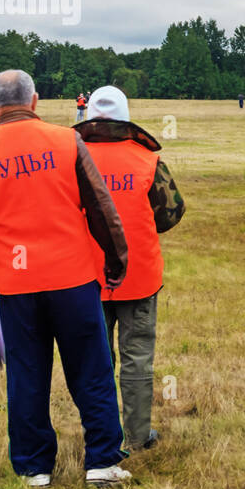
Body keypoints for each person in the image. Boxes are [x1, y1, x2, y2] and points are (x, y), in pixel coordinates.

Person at [0, 69, 133, 487]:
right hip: (73, 279)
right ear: (35, 101)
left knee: (27, 375)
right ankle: (103, 461)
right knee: (91, 369)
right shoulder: (67, 141)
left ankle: (34, 469)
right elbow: (101, 206)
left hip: (17, 287)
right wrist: (116, 258)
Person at [75, 86, 185, 450]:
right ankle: (138, 437)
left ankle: (103, 438)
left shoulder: (72, 158)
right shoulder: (147, 160)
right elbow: (170, 214)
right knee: (137, 358)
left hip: (85, 277)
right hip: (138, 276)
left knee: (96, 360)